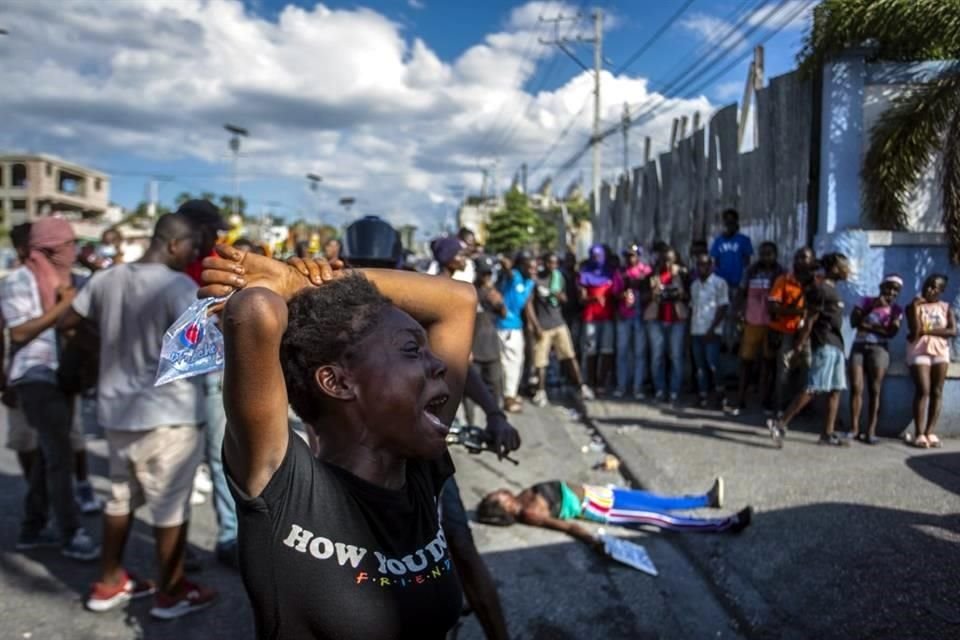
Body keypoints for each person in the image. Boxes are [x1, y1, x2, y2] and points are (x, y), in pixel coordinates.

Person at [199, 244, 476, 639]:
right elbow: (255, 310)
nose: (439, 365)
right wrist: (303, 289)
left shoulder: (418, 466)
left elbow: (459, 301)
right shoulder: (286, 491)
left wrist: (303, 280)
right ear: (339, 382)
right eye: (413, 350)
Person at [63, 214, 217, 617]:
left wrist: (104, 348)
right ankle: (172, 590)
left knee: (119, 499)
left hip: (117, 412)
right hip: (169, 415)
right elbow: (203, 354)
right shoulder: (178, 286)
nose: (193, 256)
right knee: (170, 508)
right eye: (191, 248)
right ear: (172, 244)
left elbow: (68, 323)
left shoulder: (107, 279)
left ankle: (109, 581)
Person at [0, 217, 100, 560]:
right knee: (59, 455)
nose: (73, 250)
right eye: (67, 245)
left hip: (67, 375)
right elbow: (19, 333)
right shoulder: (18, 281)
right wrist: (64, 305)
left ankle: (32, 526)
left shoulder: (76, 280)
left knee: (48, 456)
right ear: (47, 249)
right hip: (35, 375)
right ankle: (70, 532)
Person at [178, 199, 238, 570]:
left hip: (214, 374)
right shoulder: (172, 265)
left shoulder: (218, 262)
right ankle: (175, 544)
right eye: (210, 229)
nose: (216, 236)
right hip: (179, 379)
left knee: (220, 458)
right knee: (178, 463)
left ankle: (230, 536)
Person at [477, 478, 751, 540]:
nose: (499, 491)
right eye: (496, 497)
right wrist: (595, 542)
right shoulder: (530, 513)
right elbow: (568, 526)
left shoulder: (523, 496)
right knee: (660, 518)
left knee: (658, 501)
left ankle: (706, 500)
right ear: (505, 508)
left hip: (602, 493)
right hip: (601, 508)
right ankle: (725, 524)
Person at [766, 253, 851, 447]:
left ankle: (827, 434)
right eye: (843, 266)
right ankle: (779, 424)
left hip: (837, 345)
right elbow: (810, 320)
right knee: (814, 387)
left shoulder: (832, 290)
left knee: (835, 390)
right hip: (825, 344)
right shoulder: (820, 290)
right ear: (833, 269)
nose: (848, 270)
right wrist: (800, 343)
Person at [528, 252, 590, 406]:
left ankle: (581, 386)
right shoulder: (537, 280)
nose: (552, 266)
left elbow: (566, 300)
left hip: (558, 322)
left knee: (569, 356)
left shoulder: (559, 278)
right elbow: (529, 304)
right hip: (543, 324)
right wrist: (535, 325)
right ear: (545, 262)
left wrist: (556, 294)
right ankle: (541, 391)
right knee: (541, 361)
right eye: (550, 262)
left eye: (555, 263)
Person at [849, 275, 904, 444]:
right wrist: (873, 307)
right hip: (859, 346)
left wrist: (868, 326)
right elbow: (854, 321)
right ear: (881, 287)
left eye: (896, 290)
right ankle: (854, 428)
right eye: (889, 287)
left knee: (875, 389)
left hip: (879, 349)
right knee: (856, 387)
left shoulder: (896, 310)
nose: (891, 292)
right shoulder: (865, 301)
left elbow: (891, 333)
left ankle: (871, 431)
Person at [731, 241, 784, 415]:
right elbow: (741, 292)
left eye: (769, 254)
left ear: (775, 255)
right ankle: (740, 401)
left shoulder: (780, 273)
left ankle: (766, 402)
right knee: (746, 362)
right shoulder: (751, 271)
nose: (765, 257)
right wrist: (738, 311)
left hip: (771, 324)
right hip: (752, 322)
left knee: (768, 365)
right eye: (762, 254)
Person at [906, 274, 956, 449]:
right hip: (919, 349)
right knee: (923, 389)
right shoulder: (913, 306)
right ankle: (919, 434)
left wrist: (927, 331)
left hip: (940, 351)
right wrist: (914, 308)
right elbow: (915, 331)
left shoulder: (945, 308)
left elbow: (952, 331)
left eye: (935, 287)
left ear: (941, 290)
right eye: (928, 285)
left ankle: (930, 432)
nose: (929, 289)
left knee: (937, 390)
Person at [767, 248, 817, 416]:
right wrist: (798, 312)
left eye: (805, 258)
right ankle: (780, 407)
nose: (801, 261)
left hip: (808, 332)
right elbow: (773, 306)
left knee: (808, 369)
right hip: (787, 330)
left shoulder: (817, 282)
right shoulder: (784, 280)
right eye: (798, 257)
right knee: (784, 370)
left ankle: (803, 408)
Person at [644, 246, 688, 403]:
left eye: (670, 260)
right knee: (657, 356)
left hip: (676, 320)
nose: (667, 263)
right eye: (664, 259)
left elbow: (686, 296)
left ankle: (674, 390)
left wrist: (676, 278)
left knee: (675, 356)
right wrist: (654, 290)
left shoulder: (682, 275)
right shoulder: (653, 276)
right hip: (657, 320)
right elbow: (647, 297)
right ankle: (660, 389)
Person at [496, 251, 537, 413]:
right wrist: (509, 265)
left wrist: (533, 326)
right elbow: (506, 267)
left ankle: (510, 393)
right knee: (507, 363)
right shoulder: (514, 276)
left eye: (535, 267)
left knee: (516, 362)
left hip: (517, 326)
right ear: (521, 267)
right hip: (504, 326)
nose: (533, 270)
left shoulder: (530, 282)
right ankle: (508, 397)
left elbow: (527, 304)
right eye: (530, 267)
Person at [689, 253, 729, 408]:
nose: (701, 268)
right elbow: (693, 308)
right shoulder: (694, 285)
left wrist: (712, 329)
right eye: (699, 264)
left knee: (713, 364)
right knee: (700, 366)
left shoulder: (720, 283)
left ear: (711, 266)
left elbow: (723, 306)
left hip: (712, 331)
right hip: (696, 331)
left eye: (705, 264)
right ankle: (703, 395)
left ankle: (720, 395)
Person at [611, 245, 652, 399]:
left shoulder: (646, 271)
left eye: (633, 255)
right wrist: (623, 295)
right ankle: (622, 386)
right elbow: (614, 293)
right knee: (622, 352)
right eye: (628, 256)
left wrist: (641, 292)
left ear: (638, 256)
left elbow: (651, 291)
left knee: (639, 353)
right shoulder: (620, 272)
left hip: (640, 316)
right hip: (624, 316)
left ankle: (638, 387)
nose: (630, 258)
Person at [468, 256, 506, 419]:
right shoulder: (469, 291)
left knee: (496, 387)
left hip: (491, 348)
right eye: (484, 273)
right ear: (477, 273)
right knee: (470, 390)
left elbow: (503, 314)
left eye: (489, 273)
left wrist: (498, 301)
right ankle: (471, 424)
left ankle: (496, 420)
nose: (486, 277)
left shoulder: (493, 291)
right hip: (474, 349)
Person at [710, 209, 754, 350]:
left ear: (736, 223)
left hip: (738, 284)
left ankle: (735, 341)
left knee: (737, 313)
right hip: (722, 284)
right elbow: (715, 262)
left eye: (731, 221)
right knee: (722, 312)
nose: (728, 224)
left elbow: (747, 262)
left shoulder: (743, 240)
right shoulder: (718, 241)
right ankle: (724, 340)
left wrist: (744, 283)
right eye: (726, 221)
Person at [578, 245, 616, 394]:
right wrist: (593, 298)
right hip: (591, 317)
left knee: (607, 350)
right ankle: (591, 381)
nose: (597, 259)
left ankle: (602, 382)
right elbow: (581, 298)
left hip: (607, 316)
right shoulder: (585, 274)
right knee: (591, 351)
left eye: (599, 256)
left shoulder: (611, 273)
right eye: (594, 256)